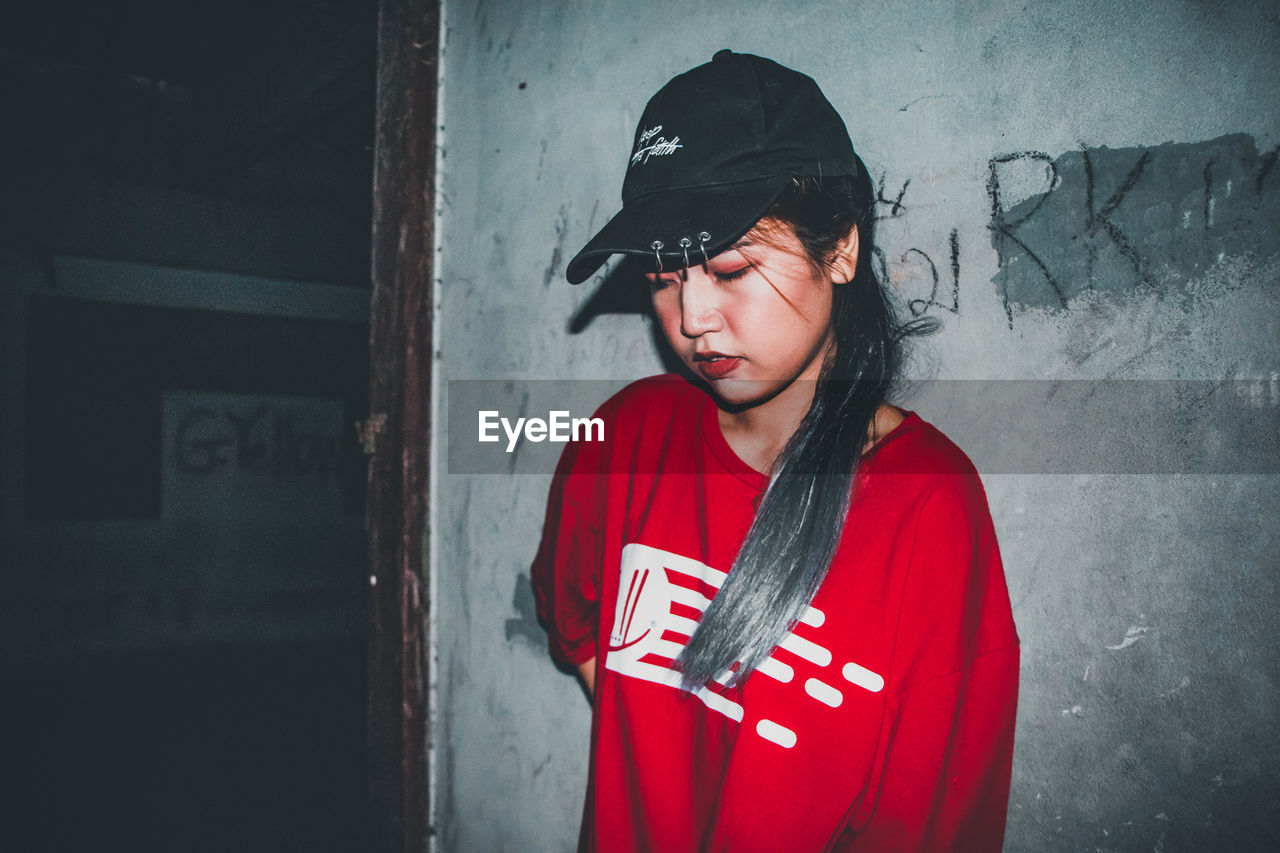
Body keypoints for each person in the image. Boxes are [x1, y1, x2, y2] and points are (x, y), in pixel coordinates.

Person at [531, 49, 1019, 852]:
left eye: (729, 268)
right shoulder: (621, 438)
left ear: (841, 250)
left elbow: (936, 821)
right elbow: (573, 618)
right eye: (662, 276)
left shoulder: (929, 503)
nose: (691, 317)